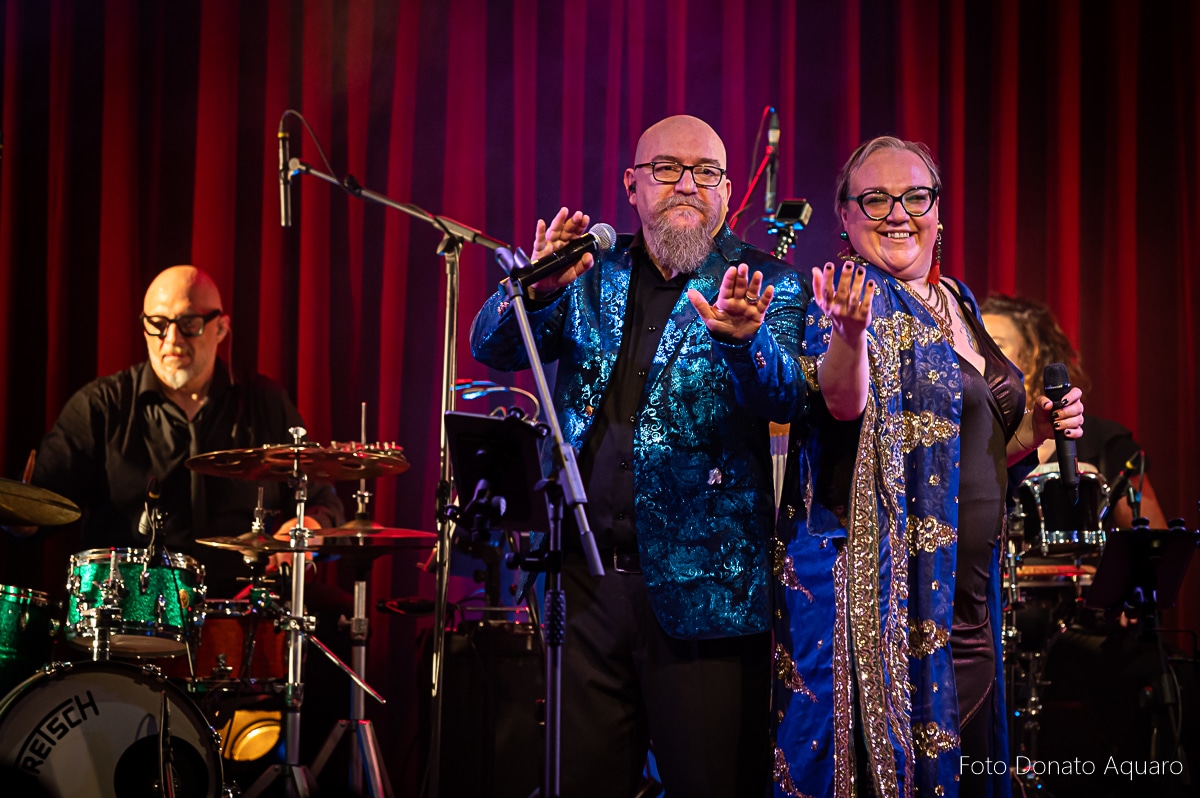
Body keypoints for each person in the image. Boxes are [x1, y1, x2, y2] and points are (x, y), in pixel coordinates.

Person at [470, 115, 810, 797]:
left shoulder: (768, 281)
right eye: (666, 169)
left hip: (707, 598)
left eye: (705, 172)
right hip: (585, 587)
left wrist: (744, 342)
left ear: (726, 189)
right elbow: (492, 347)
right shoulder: (588, 272)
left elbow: (786, 396)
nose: (686, 184)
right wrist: (538, 289)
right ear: (632, 185)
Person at [772, 136, 1085, 798]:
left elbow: (970, 451)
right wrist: (849, 336)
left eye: (916, 197)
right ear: (845, 214)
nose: (898, 213)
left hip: (970, 602)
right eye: (875, 199)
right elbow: (842, 402)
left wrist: (1038, 432)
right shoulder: (848, 296)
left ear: (938, 211)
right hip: (899, 603)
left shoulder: (959, 302)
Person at [16, 265, 344, 597]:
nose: (171, 339)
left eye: (189, 324)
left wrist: (303, 529)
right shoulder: (100, 406)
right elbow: (38, 505)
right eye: (157, 324)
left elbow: (324, 503)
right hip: (128, 609)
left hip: (241, 607)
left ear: (221, 328)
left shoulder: (266, 403)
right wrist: (21, 516)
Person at [979, 293, 1168, 530]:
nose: (983, 357)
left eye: (995, 345)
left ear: (1033, 355)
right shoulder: (968, 445)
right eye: (977, 347)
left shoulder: (1104, 443)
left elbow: (1154, 544)